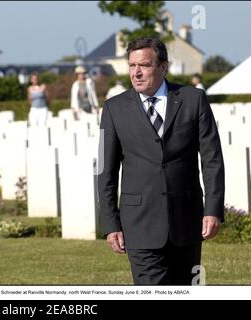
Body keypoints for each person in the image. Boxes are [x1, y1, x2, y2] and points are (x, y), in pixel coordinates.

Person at [98, 37, 225, 285]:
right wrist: (110, 223)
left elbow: (212, 158)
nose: (136, 72)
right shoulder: (113, 108)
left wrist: (212, 209)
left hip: (187, 221)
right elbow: (105, 170)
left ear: (163, 67)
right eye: (132, 65)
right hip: (139, 224)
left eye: (144, 65)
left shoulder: (193, 100)